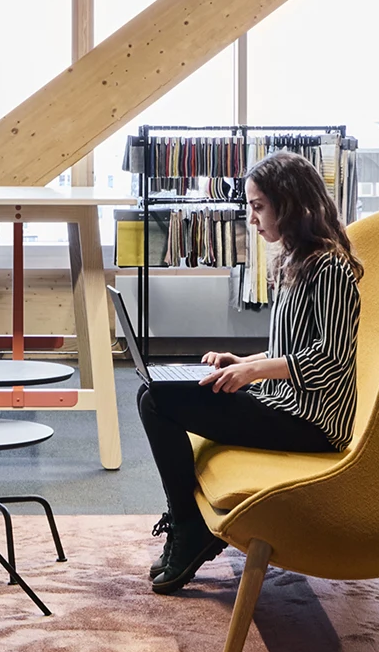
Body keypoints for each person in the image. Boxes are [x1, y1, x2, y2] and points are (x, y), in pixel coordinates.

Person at [137, 150, 362, 595]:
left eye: (258, 206)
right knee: (153, 392)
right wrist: (244, 362)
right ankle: (188, 522)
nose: (251, 218)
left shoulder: (330, 268)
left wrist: (256, 371)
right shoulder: (298, 259)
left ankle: (190, 527)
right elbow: (292, 347)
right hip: (285, 404)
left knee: (158, 401)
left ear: (290, 204)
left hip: (313, 423)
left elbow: (332, 359)